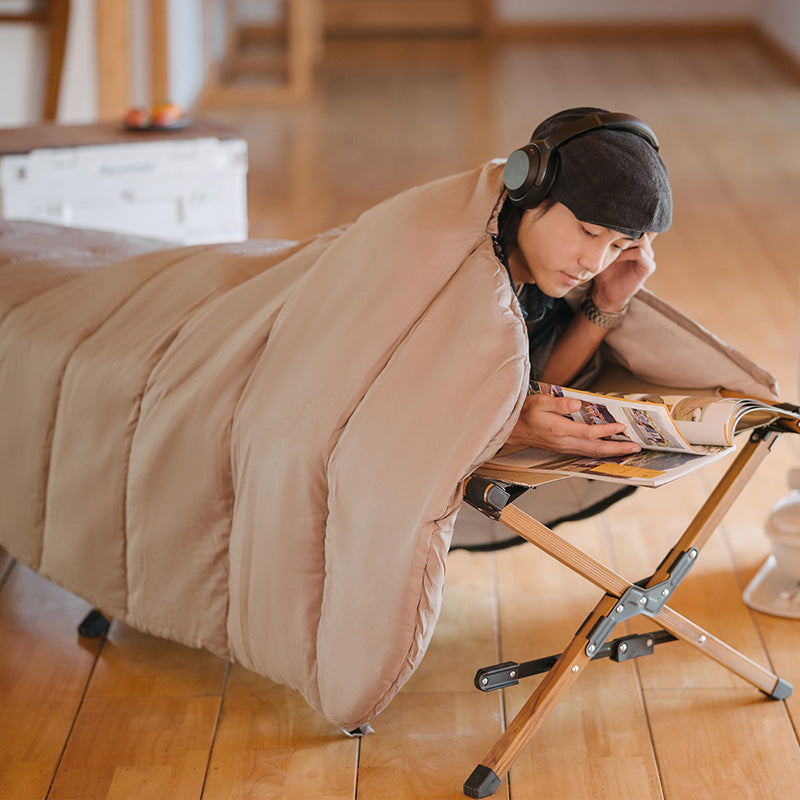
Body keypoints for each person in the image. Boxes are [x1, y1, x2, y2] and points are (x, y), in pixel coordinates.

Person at [493, 107, 673, 458]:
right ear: (531, 189)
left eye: (618, 246)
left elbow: (542, 383)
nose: (594, 263)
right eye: (589, 232)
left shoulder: (532, 282)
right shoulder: (464, 271)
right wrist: (506, 427)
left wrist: (607, 301)